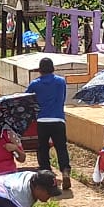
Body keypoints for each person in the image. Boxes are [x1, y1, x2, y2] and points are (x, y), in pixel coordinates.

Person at [27, 57, 71, 191]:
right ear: (53, 68)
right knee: (61, 147)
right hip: (58, 119)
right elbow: (62, 98)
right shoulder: (61, 82)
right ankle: (65, 171)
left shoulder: (34, 84)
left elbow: (27, 99)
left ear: (40, 70)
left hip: (42, 120)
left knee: (43, 148)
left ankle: (47, 175)